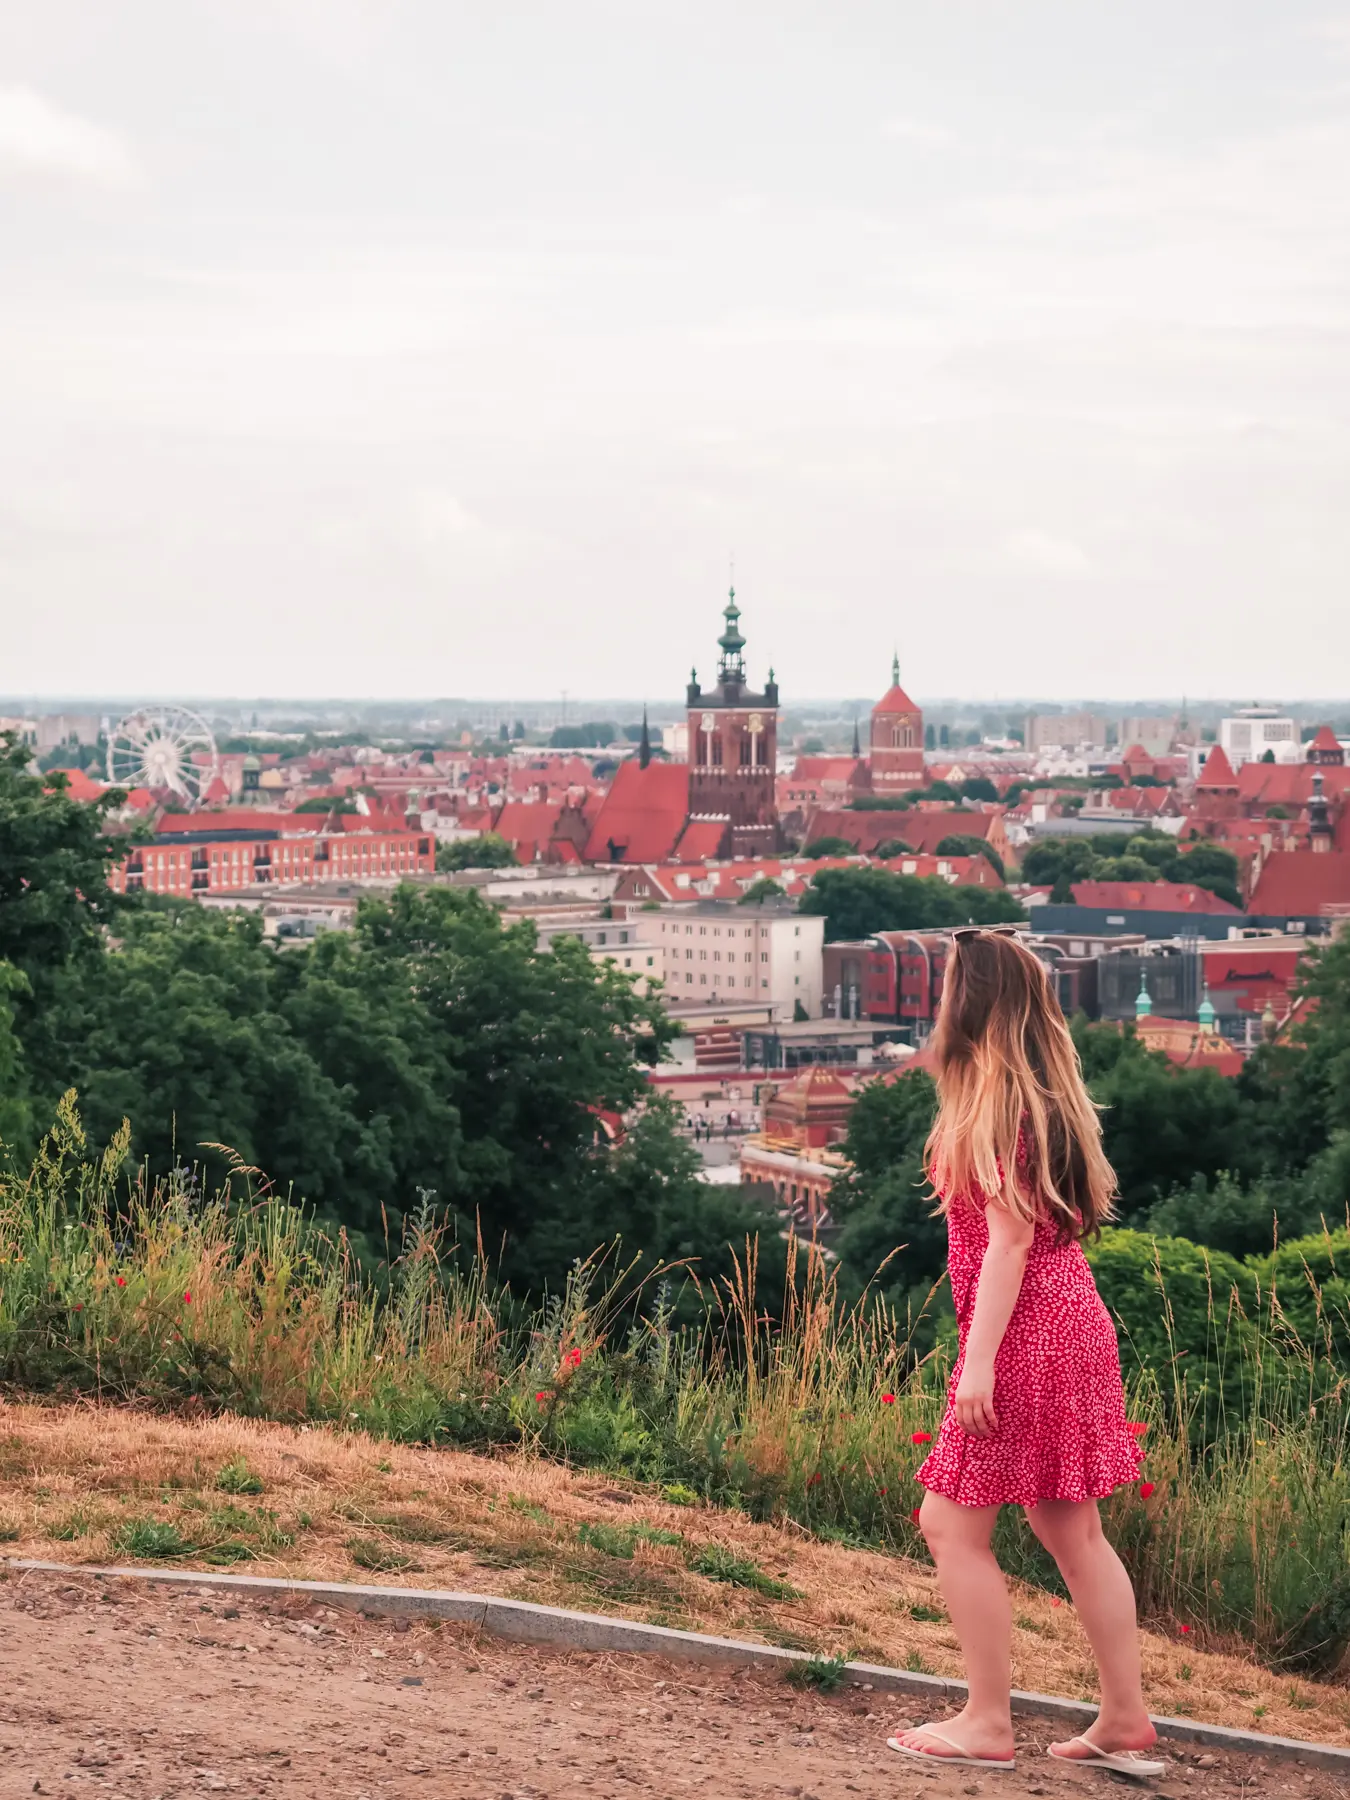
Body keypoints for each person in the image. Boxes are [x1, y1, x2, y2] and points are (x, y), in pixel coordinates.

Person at [888, 926, 1162, 1778]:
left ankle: (987, 1721)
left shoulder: (994, 1106)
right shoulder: (1043, 1095)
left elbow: (1005, 1243)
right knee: (1073, 1529)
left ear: (967, 1002)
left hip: (1025, 1335)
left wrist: (977, 1362)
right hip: (1072, 1320)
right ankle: (1123, 1717)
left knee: (949, 1524)